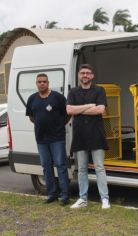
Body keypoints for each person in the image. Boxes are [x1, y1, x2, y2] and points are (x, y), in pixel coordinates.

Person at [66, 64, 110, 209]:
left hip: (96, 134)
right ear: (79, 75)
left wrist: (79, 110)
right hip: (79, 135)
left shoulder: (99, 90)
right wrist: (88, 106)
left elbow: (100, 110)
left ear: (92, 76)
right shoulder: (73, 92)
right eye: (82, 73)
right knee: (82, 169)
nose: (85, 75)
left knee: (99, 167)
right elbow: (69, 110)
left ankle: (105, 199)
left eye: (88, 73)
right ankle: (82, 199)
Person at [26, 73, 70, 206]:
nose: (42, 83)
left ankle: (65, 195)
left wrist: (59, 125)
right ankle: (52, 194)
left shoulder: (58, 97)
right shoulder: (32, 99)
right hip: (41, 139)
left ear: (48, 83)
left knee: (61, 165)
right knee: (46, 167)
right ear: (36, 83)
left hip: (57, 138)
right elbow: (32, 117)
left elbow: (68, 114)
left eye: (44, 81)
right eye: (39, 82)